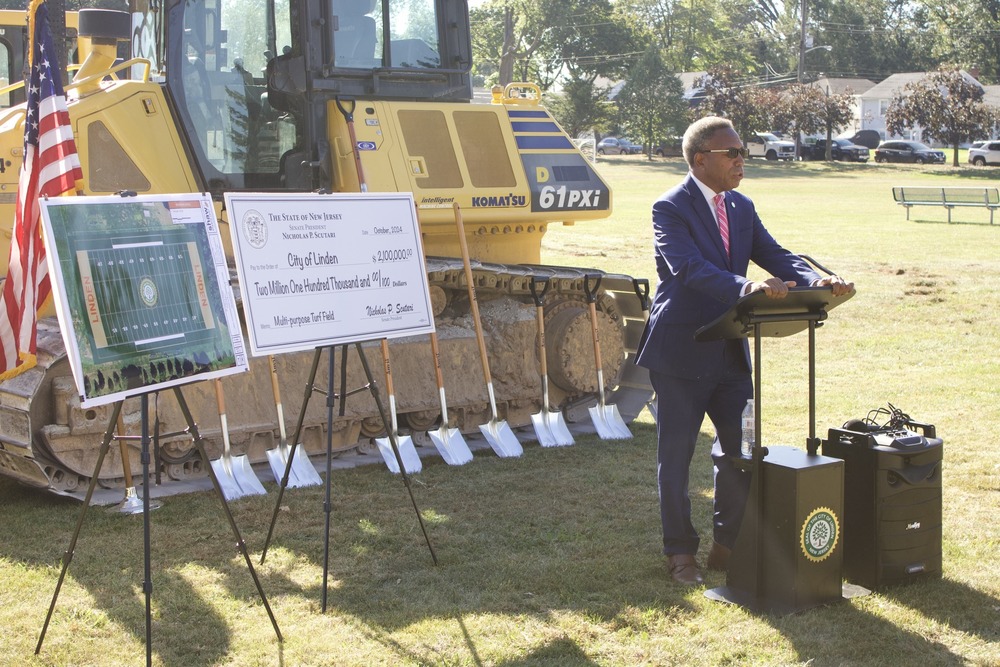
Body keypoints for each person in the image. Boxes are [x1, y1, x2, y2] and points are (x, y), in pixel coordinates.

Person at [635, 116, 854, 585]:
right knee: (674, 459)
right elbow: (688, 267)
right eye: (731, 153)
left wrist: (819, 280)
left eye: (743, 153)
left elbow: (775, 254)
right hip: (681, 351)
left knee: (740, 452)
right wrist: (746, 285)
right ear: (701, 159)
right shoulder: (669, 206)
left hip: (732, 349)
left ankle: (727, 546)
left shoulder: (741, 205)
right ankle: (681, 555)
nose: (741, 160)